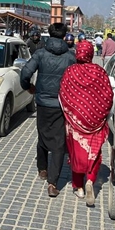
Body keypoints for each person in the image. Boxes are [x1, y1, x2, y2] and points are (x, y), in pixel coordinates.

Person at [20, 23, 75, 198]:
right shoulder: (70, 56)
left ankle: (42, 170)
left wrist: (28, 87)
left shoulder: (40, 54)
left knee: (42, 134)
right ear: (65, 35)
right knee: (59, 142)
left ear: (49, 34)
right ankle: (53, 183)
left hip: (42, 102)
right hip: (61, 104)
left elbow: (25, 72)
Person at [58, 40, 114, 207]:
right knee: (94, 152)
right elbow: (108, 97)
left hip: (74, 122)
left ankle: (79, 187)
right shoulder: (100, 72)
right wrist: (99, 115)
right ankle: (90, 180)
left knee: (76, 152)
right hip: (96, 122)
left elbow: (62, 96)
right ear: (90, 53)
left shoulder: (70, 72)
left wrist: (72, 113)